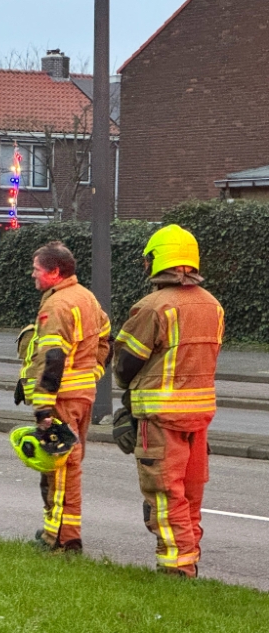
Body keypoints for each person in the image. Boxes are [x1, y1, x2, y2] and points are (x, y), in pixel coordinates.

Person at [113, 224, 223, 578]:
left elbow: (126, 364)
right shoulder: (213, 306)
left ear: (157, 261)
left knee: (163, 492)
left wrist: (127, 403)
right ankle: (189, 557)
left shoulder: (153, 307)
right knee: (190, 494)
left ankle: (176, 567)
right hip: (199, 415)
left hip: (160, 417)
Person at [16, 241, 110, 552]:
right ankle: (70, 536)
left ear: (55, 272)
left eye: (37, 270)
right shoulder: (87, 298)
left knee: (56, 469)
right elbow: (106, 337)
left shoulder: (56, 306)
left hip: (62, 397)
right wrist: (94, 372)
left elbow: (53, 356)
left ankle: (53, 538)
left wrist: (43, 406)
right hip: (82, 395)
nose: (33, 275)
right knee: (72, 467)